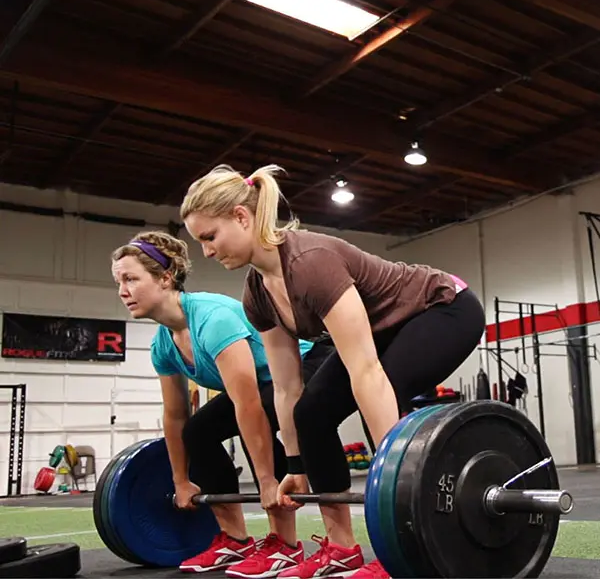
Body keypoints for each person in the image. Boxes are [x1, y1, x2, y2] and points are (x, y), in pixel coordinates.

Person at [179, 165, 486, 579]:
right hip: (383, 332)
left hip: (441, 307)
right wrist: (296, 467)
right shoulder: (256, 293)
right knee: (311, 412)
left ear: (241, 216)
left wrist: (394, 477)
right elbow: (287, 389)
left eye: (209, 237)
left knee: (382, 391)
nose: (207, 252)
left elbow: (367, 372)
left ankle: (406, 543)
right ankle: (341, 547)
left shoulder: (310, 262)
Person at [110, 230, 333, 578]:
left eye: (131, 279)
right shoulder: (163, 345)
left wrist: (265, 480)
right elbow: (175, 416)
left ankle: (284, 544)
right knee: (198, 430)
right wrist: (181, 480)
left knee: (258, 412)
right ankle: (234, 538)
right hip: (260, 385)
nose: (123, 291)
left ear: (165, 278)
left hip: (308, 360)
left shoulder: (213, 320)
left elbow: (248, 406)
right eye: (119, 281)